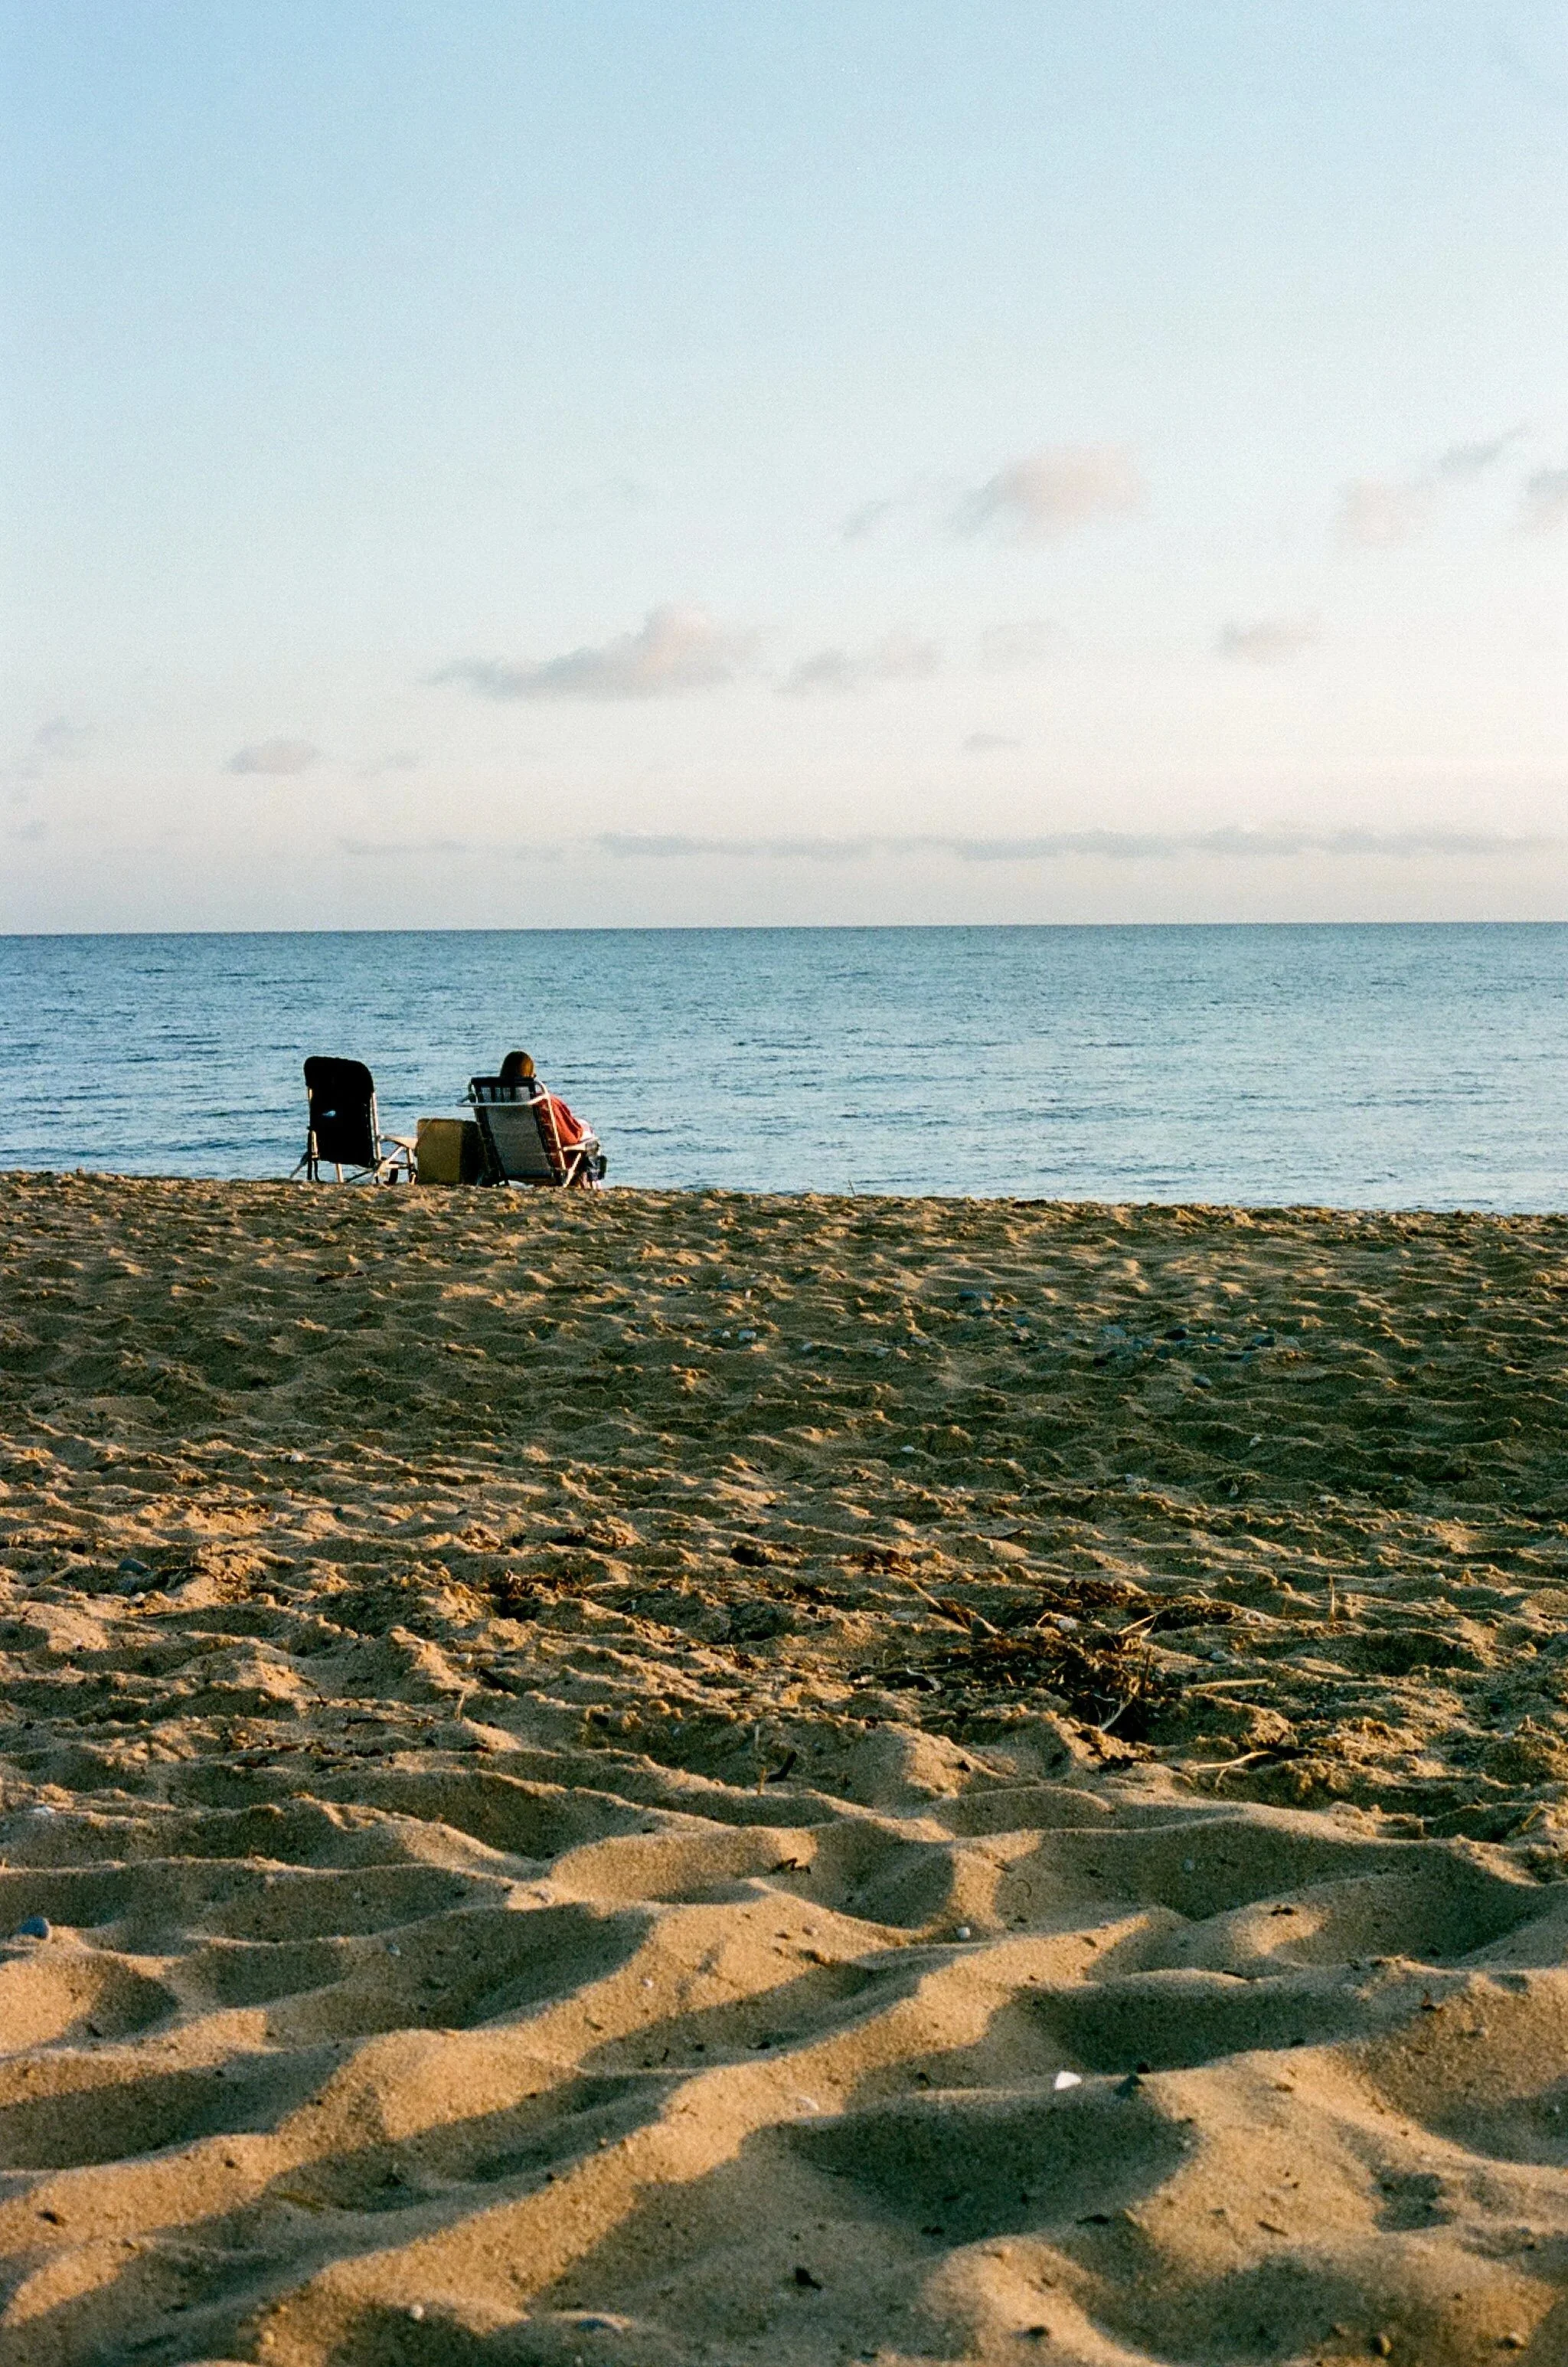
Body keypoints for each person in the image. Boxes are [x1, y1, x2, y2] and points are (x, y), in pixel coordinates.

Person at [498, 1048, 590, 1171]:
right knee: (588, 1136)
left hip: (509, 1165)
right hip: (548, 1166)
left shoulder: (495, 1104)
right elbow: (570, 1138)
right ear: (531, 1077)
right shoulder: (543, 1103)